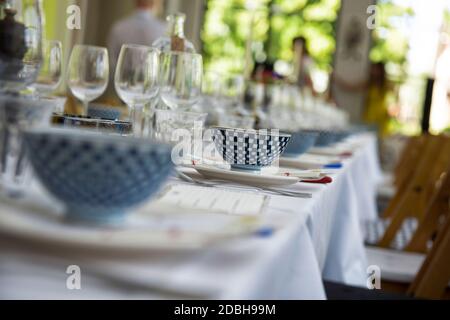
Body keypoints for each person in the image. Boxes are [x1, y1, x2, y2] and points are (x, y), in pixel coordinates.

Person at [333, 62, 391, 136]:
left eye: (377, 69)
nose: (374, 71)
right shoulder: (369, 84)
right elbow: (351, 87)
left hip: (382, 118)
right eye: (373, 69)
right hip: (370, 117)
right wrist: (337, 80)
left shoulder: (386, 84)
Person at [107, 0, 165, 69]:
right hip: (150, 79)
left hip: (122, 78)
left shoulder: (118, 27)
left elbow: (112, 62)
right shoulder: (164, 29)